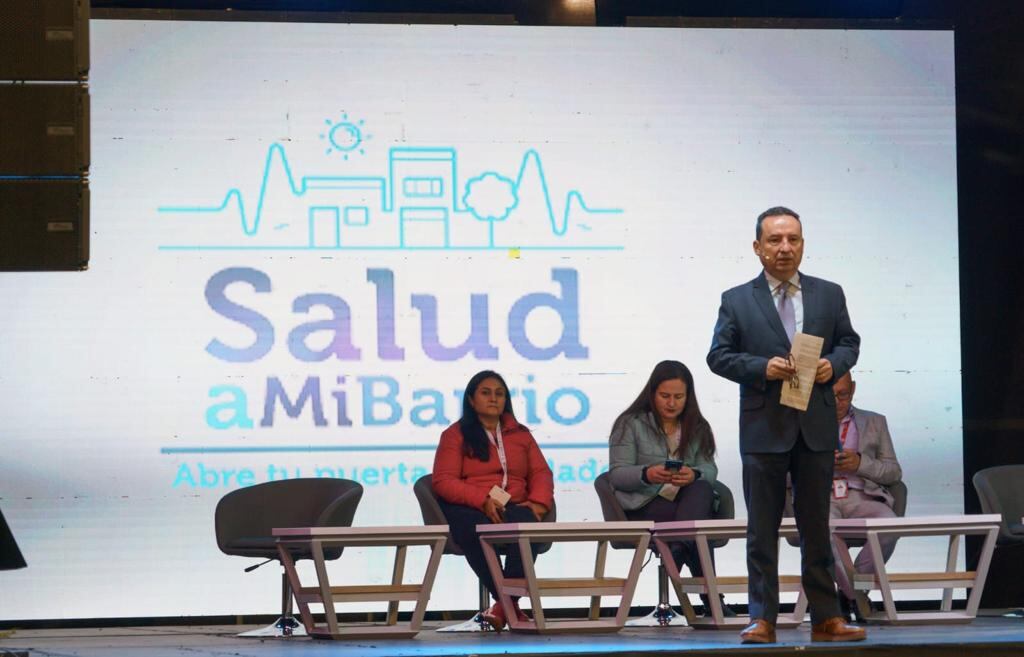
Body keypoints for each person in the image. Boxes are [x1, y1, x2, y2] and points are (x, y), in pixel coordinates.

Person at [707, 206, 866, 643]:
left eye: (793, 239)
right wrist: (763, 367)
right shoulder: (737, 299)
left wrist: (832, 365)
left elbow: (849, 342)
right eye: (775, 240)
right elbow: (717, 356)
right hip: (764, 429)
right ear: (758, 248)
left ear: (803, 243)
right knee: (763, 528)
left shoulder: (829, 294)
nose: (785, 248)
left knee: (817, 526)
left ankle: (827, 617)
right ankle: (763, 618)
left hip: (814, 425)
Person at [608, 359, 734, 616]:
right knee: (696, 527)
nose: (672, 403)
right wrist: (647, 473)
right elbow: (617, 475)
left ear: (688, 397)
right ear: (652, 393)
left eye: (679, 396)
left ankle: (677, 548)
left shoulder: (697, 426)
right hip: (644, 505)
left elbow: (709, 470)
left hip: (685, 503)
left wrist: (694, 473)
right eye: (665, 396)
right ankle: (712, 599)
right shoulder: (630, 423)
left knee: (700, 490)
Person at [432, 370, 554, 632]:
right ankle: (509, 606)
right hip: (470, 506)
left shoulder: (520, 434)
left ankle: (502, 607)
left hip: (513, 506)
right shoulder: (455, 435)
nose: (493, 399)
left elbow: (541, 473)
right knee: (473, 527)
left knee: (527, 522)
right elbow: (443, 481)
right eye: (485, 393)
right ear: (471, 400)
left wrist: (539, 503)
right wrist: (482, 499)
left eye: (499, 394)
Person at [830, 371, 903, 621]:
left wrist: (860, 463)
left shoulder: (875, 422)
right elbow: (785, 474)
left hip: (863, 495)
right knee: (820, 530)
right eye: (831, 395)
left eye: (843, 394)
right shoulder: (805, 422)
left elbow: (893, 472)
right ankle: (858, 597)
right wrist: (816, 464)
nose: (838, 401)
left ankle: (850, 592)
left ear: (853, 389)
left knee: (890, 524)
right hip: (822, 497)